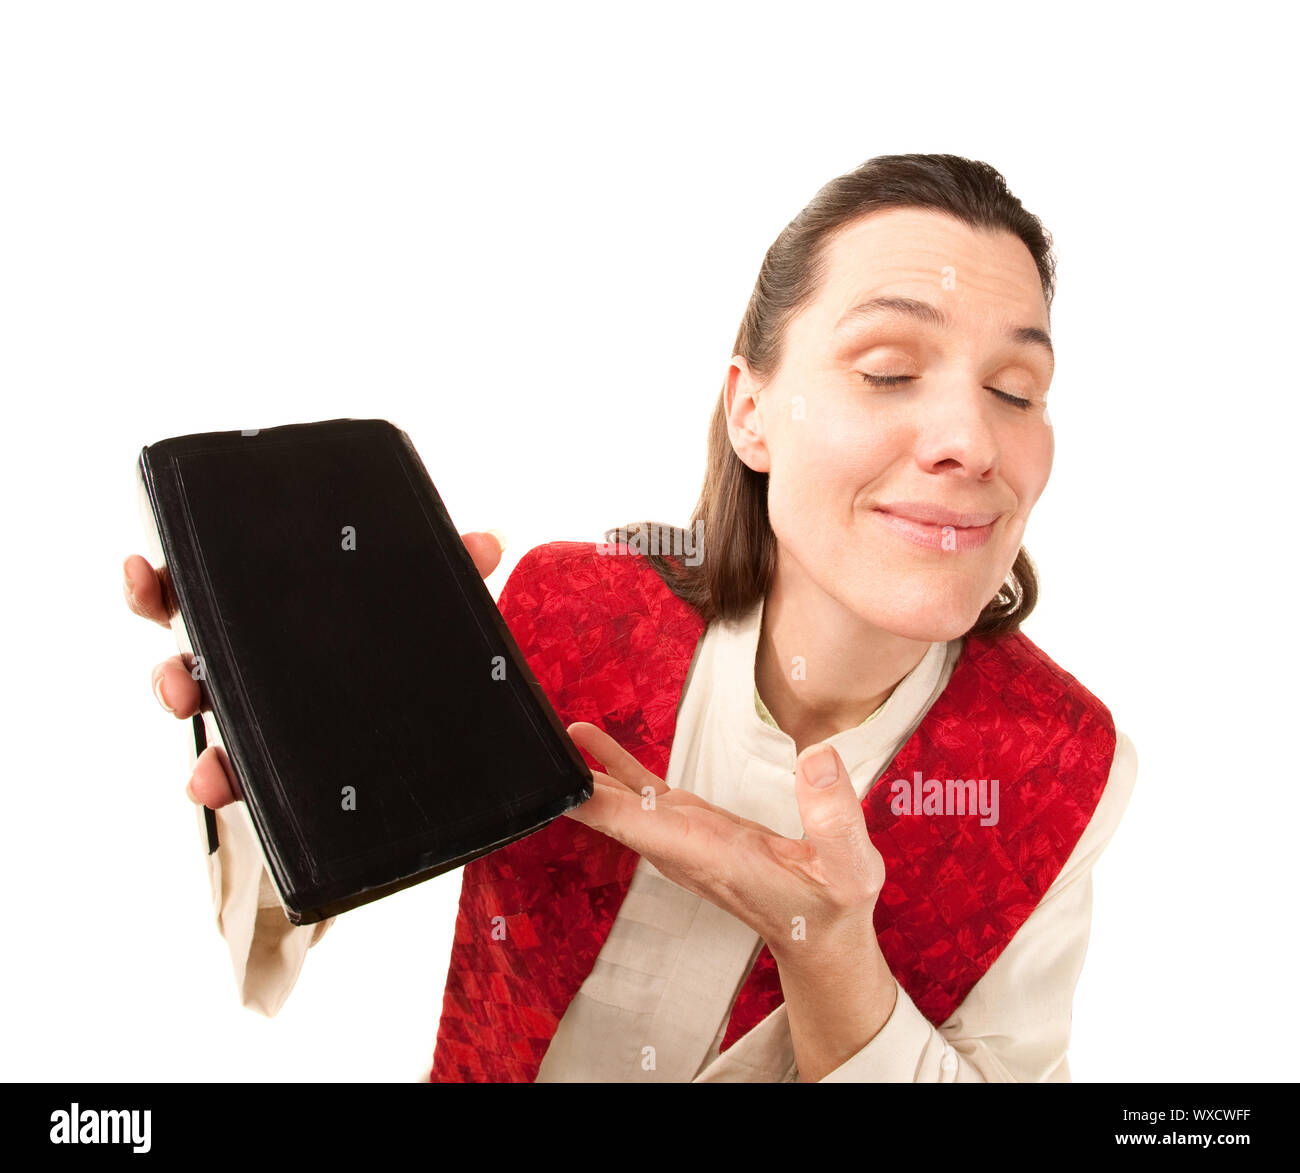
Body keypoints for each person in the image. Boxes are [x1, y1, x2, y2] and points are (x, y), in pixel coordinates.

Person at [123, 153, 1137, 1082]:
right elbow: (303, 899)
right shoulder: (566, 609)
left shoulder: (1066, 764)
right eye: (886, 370)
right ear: (750, 412)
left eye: (1017, 389)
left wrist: (826, 949)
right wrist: (291, 739)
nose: (972, 438)